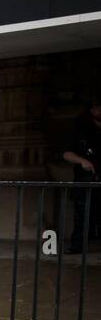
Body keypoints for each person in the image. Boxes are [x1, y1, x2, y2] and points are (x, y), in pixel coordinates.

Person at [60, 93, 100, 254]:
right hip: (87, 178)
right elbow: (66, 153)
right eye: (96, 107)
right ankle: (77, 246)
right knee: (82, 213)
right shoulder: (81, 129)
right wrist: (82, 161)